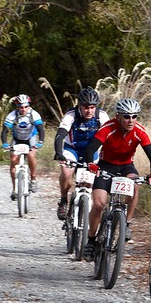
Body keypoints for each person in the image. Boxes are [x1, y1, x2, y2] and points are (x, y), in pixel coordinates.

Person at [82, 98, 151, 262]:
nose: (130, 120)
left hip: (126, 167)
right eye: (126, 116)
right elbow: (91, 148)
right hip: (105, 166)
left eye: (134, 116)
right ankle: (91, 240)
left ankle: (127, 223)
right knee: (98, 204)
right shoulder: (108, 128)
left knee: (135, 184)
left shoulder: (139, 131)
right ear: (118, 116)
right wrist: (91, 164)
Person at [53, 87, 110, 220]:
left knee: (88, 183)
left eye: (92, 107)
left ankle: (84, 210)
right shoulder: (71, 115)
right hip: (72, 149)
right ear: (79, 106)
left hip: (92, 152)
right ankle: (63, 200)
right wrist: (58, 152)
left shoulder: (101, 116)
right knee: (67, 172)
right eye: (85, 107)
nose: (89, 111)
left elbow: (110, 137)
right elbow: (60, 135)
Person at [1, 94, 45, 200]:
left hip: (30, 138)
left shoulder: (34, 114)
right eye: (21, 107)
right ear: (17, 107)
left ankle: (33, 179)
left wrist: (40, 141)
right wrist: (5, 143)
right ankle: (15, 189)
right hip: (17, 139)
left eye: (26, 106)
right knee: (13, 159)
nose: (23, 109)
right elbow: (5, 131)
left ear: (29, 106)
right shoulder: (12, 115)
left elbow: (41, 129)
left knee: (31, 155)